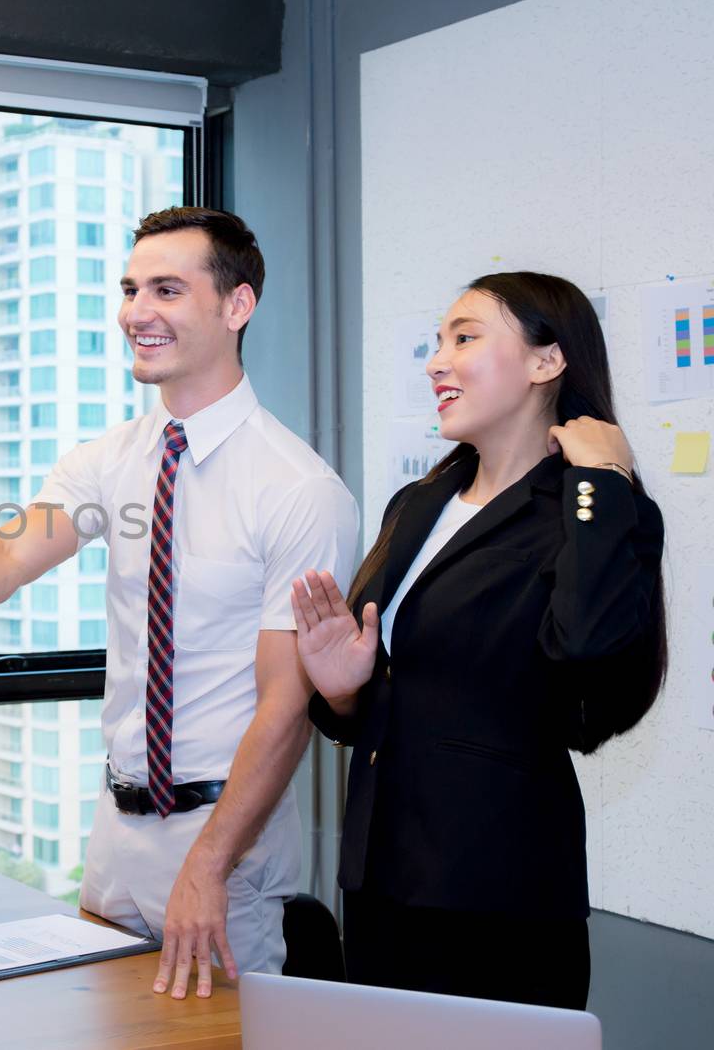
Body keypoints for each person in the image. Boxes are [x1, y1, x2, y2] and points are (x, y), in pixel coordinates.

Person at [0, 207, 358, 999]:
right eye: (130, 288)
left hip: (223, 844)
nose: (136, 311)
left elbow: (285, 707)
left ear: (237, 306)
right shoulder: (112, 459)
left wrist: (208, 865)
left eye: (167, 288)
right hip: (117, 833)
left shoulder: (298, 490)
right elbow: (4, 553)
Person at [292, 271, 666, 1010]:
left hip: (500, 893)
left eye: (465, 337)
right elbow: (414, 691)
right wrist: (342, 689)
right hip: (381, 880)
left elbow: (587, 652)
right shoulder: (420, 501)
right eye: (437, 342)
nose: (437, 361)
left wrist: (601, 479)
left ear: (546, 362)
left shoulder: (597, 508)